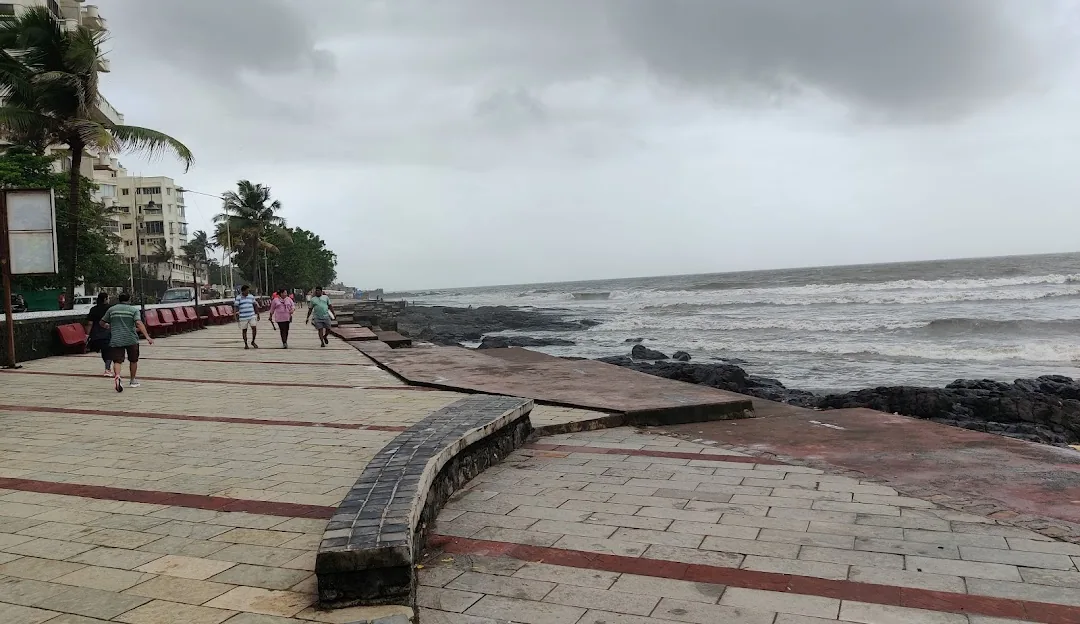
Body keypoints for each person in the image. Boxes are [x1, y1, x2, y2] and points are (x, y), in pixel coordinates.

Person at [99, 292, 153, 392]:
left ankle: (118, 377)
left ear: (119, 299)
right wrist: (147, 336)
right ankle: (132, 380)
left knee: (117, 361)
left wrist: (109, 327)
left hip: (116, 338)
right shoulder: (133, 310)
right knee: (133, 360)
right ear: (129, 300)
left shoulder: (112, 309)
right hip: (131, 338)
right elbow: (138, 322)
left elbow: (102, 322)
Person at [83, 292, 112, 376]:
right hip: (109, 332)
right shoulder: (110, 308)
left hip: (96, 334)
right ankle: (107, 368)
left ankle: (107, 367)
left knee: (104, 351)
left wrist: (87, 335)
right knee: (109, 351)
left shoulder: (93, 309)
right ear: (105, 299)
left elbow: (89, 323)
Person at [234, 284, 260, 349]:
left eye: (248, 291)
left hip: (251, 315)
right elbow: (236, 307)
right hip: (243, 317)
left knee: (254, 327)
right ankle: (246, 344)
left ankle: (253, 341)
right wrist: (235, 315)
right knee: (244, 330)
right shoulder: (238, 297)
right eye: (246, 291)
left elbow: (255, 305)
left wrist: (258, 314)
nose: (248, 292)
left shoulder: (251, 296)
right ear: (243, 291)